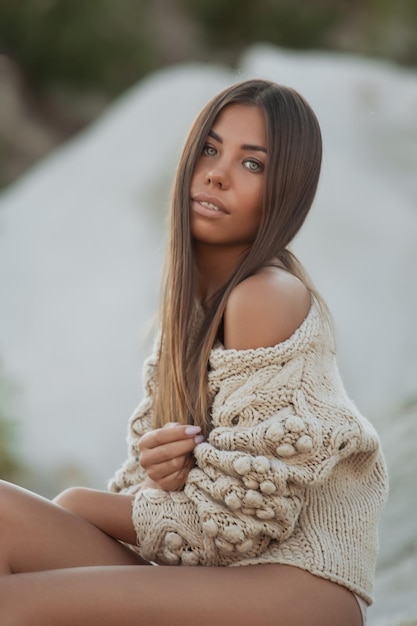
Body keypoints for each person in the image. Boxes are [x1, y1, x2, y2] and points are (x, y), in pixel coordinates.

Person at [0, 79, 388, 626]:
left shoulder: (266, 295)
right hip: (215, 580)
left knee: (15, 601)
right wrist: (166, 477)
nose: (217, 173)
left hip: (296, 590)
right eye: (210, 148)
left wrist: (79, 504)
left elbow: (235, 526)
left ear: (287, 190)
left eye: (252, 164)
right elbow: (155, 496)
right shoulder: (189, 313)